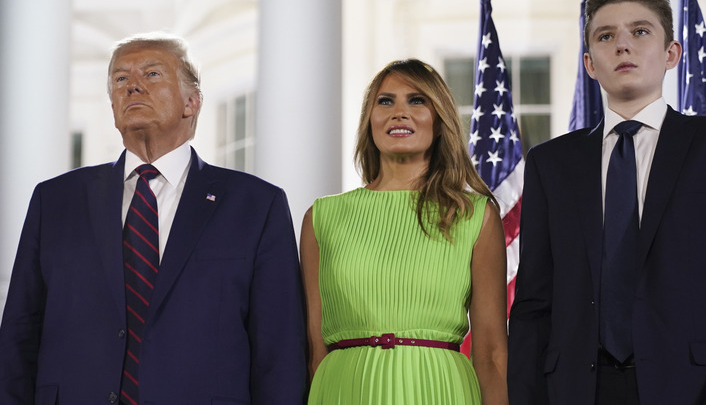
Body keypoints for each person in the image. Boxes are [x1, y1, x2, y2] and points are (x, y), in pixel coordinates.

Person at [508, 0, 706, 405]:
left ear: (672, 53)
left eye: (640, 31)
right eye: (606, 35)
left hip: (695, 391)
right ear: (589, 63)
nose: (622, 45)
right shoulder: (550, 164)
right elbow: (532, 309)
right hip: (576, 391)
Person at [0, 33, 307, 405]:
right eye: (120, 79)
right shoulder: (55, 201)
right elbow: (18, 334)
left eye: (152, 74)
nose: (132, 87)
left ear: (192, 102)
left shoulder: (257, 205)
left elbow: (280, 352)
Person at [300, 59, 509, 404]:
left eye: (417, 100)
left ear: (440, 122)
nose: (399, 112)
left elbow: (491, 355)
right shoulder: (322, 218)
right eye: (385, 101)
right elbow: (314, 348)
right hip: (343, 389)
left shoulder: (475, 216)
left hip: (441, 390)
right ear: (370, 120)